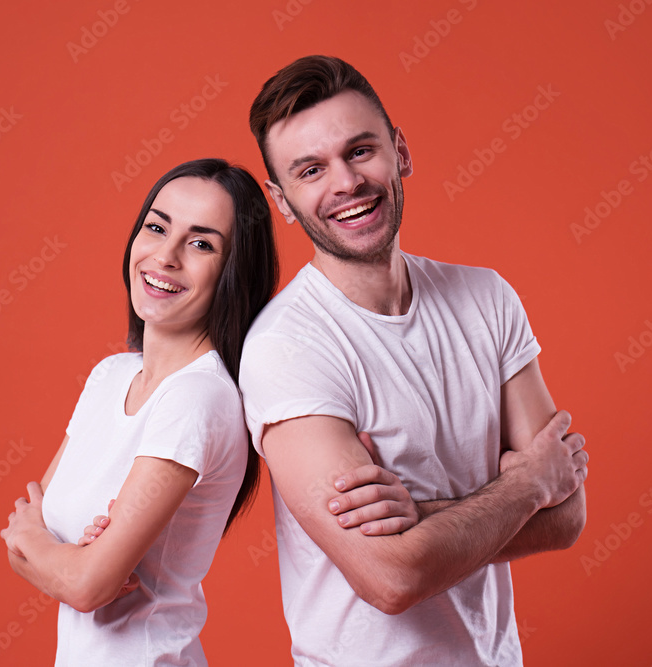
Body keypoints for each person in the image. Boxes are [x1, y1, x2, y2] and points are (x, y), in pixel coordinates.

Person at [237, 56, 589, 665]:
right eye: (311, 170)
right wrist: (528, 481)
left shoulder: (488, 299)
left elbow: (567, 516)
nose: (346, 183)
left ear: (400, 151)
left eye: (361, 150)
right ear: (284, 201)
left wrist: (421, 517)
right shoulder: (286, 349)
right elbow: (391, 580)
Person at [0, 158, 418, 666]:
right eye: (156, 227)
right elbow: (41, 544)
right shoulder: (109, 376)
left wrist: (48, 549)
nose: (166, 256)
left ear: (231, 272)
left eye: (201, 244)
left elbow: (81, 580)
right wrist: (61, 556)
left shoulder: (198, 397)